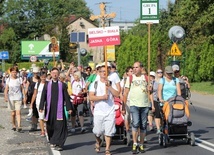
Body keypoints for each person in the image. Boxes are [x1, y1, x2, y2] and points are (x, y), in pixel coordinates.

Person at [39, 67, 73, 151]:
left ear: (58, 75)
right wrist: (41, 106)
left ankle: (60, 144)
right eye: (53, 72)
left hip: (59, 109)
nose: (54, 74)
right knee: (50, 126)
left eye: (56, 73)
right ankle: (53, 141)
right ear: (50, 74)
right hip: (50, 109)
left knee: (60, 126)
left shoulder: (62, 85)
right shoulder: (47, 85)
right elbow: (43, 96)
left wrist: (69, 107)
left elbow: (66, 97)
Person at [89, 65, 120, 155]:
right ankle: (98, 141)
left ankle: (107, 149)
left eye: (106, 71)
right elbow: (91, 96)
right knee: (97, 131)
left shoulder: (110, 82)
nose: (104, 73)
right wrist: (102, 97)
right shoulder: (95, 83)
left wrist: (109, 87)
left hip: (110, 110)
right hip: (99, 111)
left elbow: (117, 94)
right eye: (102, 71)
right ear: (99, 72)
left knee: (109, 131)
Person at [123, 61, 150, 154]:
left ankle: (141, 144)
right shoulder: (130, 78)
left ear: (141, 68)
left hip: (144, 104)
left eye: (136, 67)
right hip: (134, 104)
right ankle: (135, 143)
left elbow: (150, 90)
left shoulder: (146, 78)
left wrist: (150, 89)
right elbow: (125, 92)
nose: (134, 69)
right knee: (135, 123)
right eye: (133, 67)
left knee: (143, 125)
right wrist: (123, 105)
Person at [4, 67, 25, 132]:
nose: (14, 73)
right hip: (11, 98)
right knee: (13, 113)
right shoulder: (8, 79)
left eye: (15, 72)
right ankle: (13, 125)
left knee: (18, 112)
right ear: (11, 73)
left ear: (17, 73)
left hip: (18, 98)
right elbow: (6, 89)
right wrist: (5, 96)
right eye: (13, 72)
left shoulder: (19, 79)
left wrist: (24, 96)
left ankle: (19, 126)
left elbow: (22, 88)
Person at [29, 72, 47, 137]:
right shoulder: (38, 84)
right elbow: (34, 94)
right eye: (42, 77)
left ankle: (47, 129)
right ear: (40, 77)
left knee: (46, 117)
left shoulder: (48, 84)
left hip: (47, 103)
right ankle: (43, 131)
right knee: (41, 117)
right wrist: (31, 103)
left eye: (44, 77)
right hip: (38, 103)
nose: (43, 78)